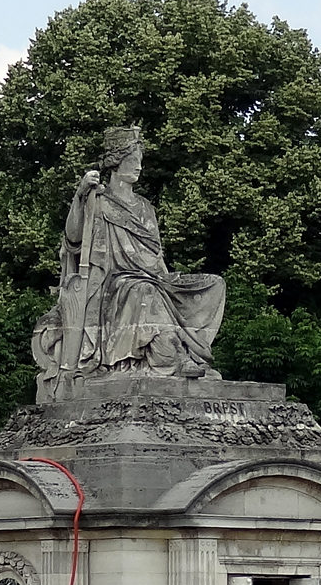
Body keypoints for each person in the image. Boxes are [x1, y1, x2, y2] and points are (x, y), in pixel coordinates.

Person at [41, 126, 225, 397]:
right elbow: (73, 237)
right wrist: (79, 196)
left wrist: (169, 280)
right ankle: (169, 357)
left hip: (152, 276)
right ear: (116, 163)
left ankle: (189, 354)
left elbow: (155, 254)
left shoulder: (145, 207)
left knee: (213, 284)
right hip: (115, 283)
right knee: (145, 292)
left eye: (140, 160)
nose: (138, 167)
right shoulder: (99, 201)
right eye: (132, 160)